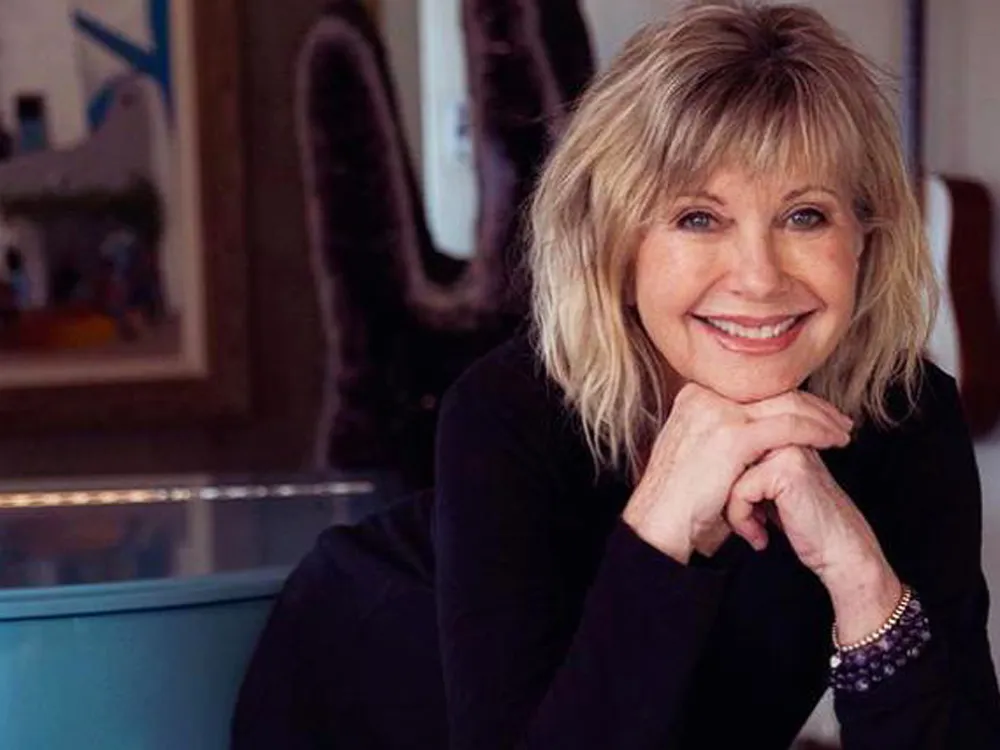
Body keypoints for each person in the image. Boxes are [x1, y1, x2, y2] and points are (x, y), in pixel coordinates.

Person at [232, 3, 1000, 748]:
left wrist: (863, 580)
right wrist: (661, 524)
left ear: (866, 237)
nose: (759, 278)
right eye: (698, 218)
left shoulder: (905, 417)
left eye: (805, 216)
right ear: (616, 245)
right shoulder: (508, 412)